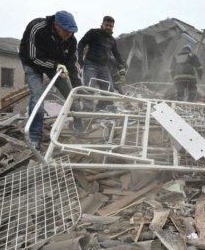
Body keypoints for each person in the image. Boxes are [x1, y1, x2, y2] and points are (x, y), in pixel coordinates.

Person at [19, 11, 82, 150]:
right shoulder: (37, 28)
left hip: (55, 63)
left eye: (71, 32)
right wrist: (55, 65)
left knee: (71, 94)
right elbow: (33, 57)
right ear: (56, 26)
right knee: (37, 97)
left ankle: (79, 127)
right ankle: (34, 137)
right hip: (32, 62)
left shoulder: (71, 39)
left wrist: (78, 88)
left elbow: (72, 65)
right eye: (66, 31)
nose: (69, 35)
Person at [77, 16, 127, 110]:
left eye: (110, 26)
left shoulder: (112, 40)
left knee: (109, 89)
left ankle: (101, 108)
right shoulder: (93, 33)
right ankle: (87, 111)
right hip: (90, 64)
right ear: (102, 24)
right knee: (89, 87)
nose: (108, 27)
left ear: (113, 27)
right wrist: (80, 59)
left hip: (104, 67)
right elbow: (81, 43)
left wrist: (123, 64)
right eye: (106, 25)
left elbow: (117, 55)